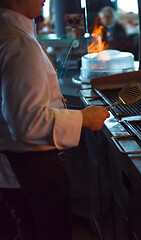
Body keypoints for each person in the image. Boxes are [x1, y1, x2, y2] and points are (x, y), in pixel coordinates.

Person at [0, 0, 110, 239]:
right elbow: (27, 123)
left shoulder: (10, 31)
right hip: (33, 168)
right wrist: (83, 118)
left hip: (16, 167)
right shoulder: (19, 44)